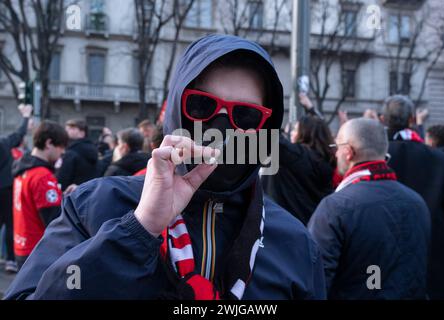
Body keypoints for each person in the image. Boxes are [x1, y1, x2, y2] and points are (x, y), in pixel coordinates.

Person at [6, 34, 326, 300]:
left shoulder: (295, 243)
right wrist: (138, 230)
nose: (221, 126)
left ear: (264, 129)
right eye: (202, 105)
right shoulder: (95, 206)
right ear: (177, 108)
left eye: (245, 116)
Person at [308, 118, 430, 299]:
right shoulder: (417, 202)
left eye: (337, 146)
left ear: (348, 152)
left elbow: (314, 281)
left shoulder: (335, 207)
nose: (334, 154)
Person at [380, 95, 444, 299]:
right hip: (433, 247)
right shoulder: (439, 158)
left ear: (383, 119)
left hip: (385, 249)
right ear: (412, 119)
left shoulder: (377, 157)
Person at [11, 121, 68, 269]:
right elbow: (54, 221)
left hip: (21, 245)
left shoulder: (23, 170)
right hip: (38, 250)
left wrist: (61, 195)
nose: (62, 152)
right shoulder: (42, 176)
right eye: (61, 146)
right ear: (49, 143)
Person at [262, 114, 335, 225]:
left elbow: (270, 137)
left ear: (306, 134)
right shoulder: (328, 161)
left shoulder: (297, 156)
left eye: (296, 130)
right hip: (312, 223)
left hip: (286, 223)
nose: (292, 133)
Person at [0, 104, 33, 273]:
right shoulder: (4, 143)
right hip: (7, 188)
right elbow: (20, 132)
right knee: (10, 224)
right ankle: (10, 260)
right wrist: (26, 116)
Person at [56, 119, 98, 191]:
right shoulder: (94, 149)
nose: (67, 131)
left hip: (71, 193)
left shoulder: (71, 152)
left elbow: (63, 178)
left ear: (82, 133)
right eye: (67, 128)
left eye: (72, 128)